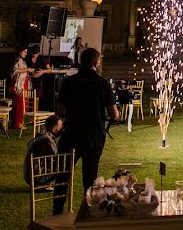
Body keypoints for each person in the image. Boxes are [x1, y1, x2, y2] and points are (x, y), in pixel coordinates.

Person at [54, 47, 119, 214]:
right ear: (96, 63)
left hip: (71, 134)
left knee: (63, 176)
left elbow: (60, 111)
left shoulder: (70, 81)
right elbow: (114, 114)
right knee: (90, 179)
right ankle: (88, 214)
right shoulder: (102, 83)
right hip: (93, 137)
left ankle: (57, 213)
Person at [23, 115, 62, 189]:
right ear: (54, 129)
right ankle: (50, 186)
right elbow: (57, 156)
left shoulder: (43, 133)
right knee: (64, 165)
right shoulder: (48, 140)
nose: (61, 130)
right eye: (59, 128)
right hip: (34, 177)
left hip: (30, 174)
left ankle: (45, 184)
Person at [11, 45, 43, 130]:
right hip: (20, 84)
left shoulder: (22, 61)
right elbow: (15, 70)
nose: (26, 53)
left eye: (26, 52)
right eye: (24, 52)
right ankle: (17, 123)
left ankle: (19, 122)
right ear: (20, 52)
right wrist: (27, 70)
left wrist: (29, 72)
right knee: (19, 103)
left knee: (23, 103)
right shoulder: (18, 60)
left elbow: (23, 72)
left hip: (24, 82)